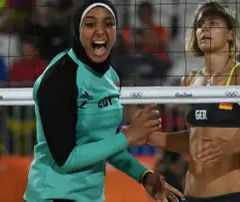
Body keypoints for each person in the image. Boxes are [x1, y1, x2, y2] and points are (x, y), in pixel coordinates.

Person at [23, 0, 182, 201]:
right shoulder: (59, 76)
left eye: (108, 24)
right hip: (51, 195)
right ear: (78, 30)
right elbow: (66, 158)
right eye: (90, 24)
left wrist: (144, 176)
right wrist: (128, 137)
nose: (100, 31)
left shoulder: (111, 77)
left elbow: (107, 145)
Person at [146, 1, 240, 202]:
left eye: (213, 23)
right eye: (200, 25)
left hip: (234, 194)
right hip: (192, 195)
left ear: (230, 34)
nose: (204, 28)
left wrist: (230, 146)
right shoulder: (190, 81)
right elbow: (194, 141)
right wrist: (148, 137)